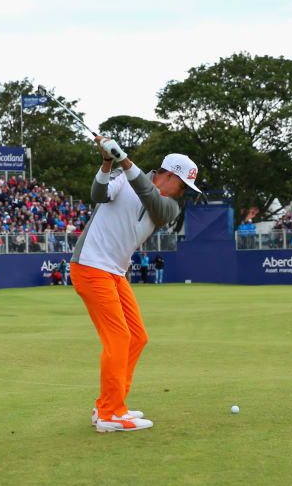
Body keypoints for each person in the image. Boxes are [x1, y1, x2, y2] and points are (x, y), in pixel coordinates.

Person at [70, 135, 198, 433]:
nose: (181, 194)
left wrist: (124, 159)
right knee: (118, 339)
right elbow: (98, 194)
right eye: (181, 186)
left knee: (137, 337)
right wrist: (106, 161)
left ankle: (111, 403)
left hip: (115, 272)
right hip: (91, 266)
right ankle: (109, 415)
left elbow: (149, 196)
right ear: (168, 175)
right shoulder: (121, 177)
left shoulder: (169, 208)